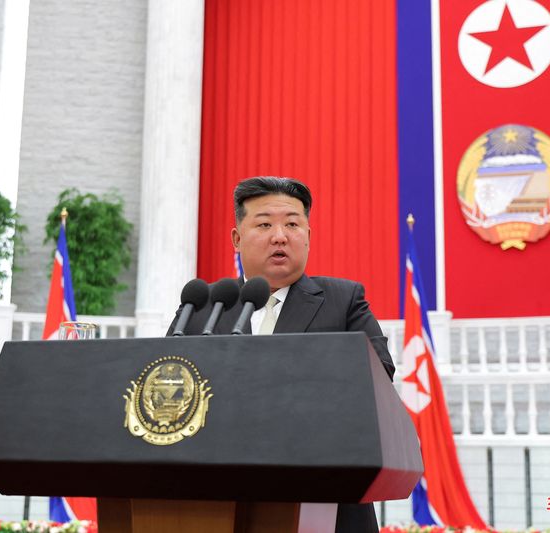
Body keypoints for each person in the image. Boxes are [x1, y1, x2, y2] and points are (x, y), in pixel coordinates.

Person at [168, 176, 394, 532]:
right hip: (214, 502)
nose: (280, 235)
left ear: (308, 234)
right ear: (237, 238)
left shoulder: (343, 300)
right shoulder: (203, 307)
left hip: (323, 499)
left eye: (292, 223)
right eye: (264, 224)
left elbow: (378, 378)